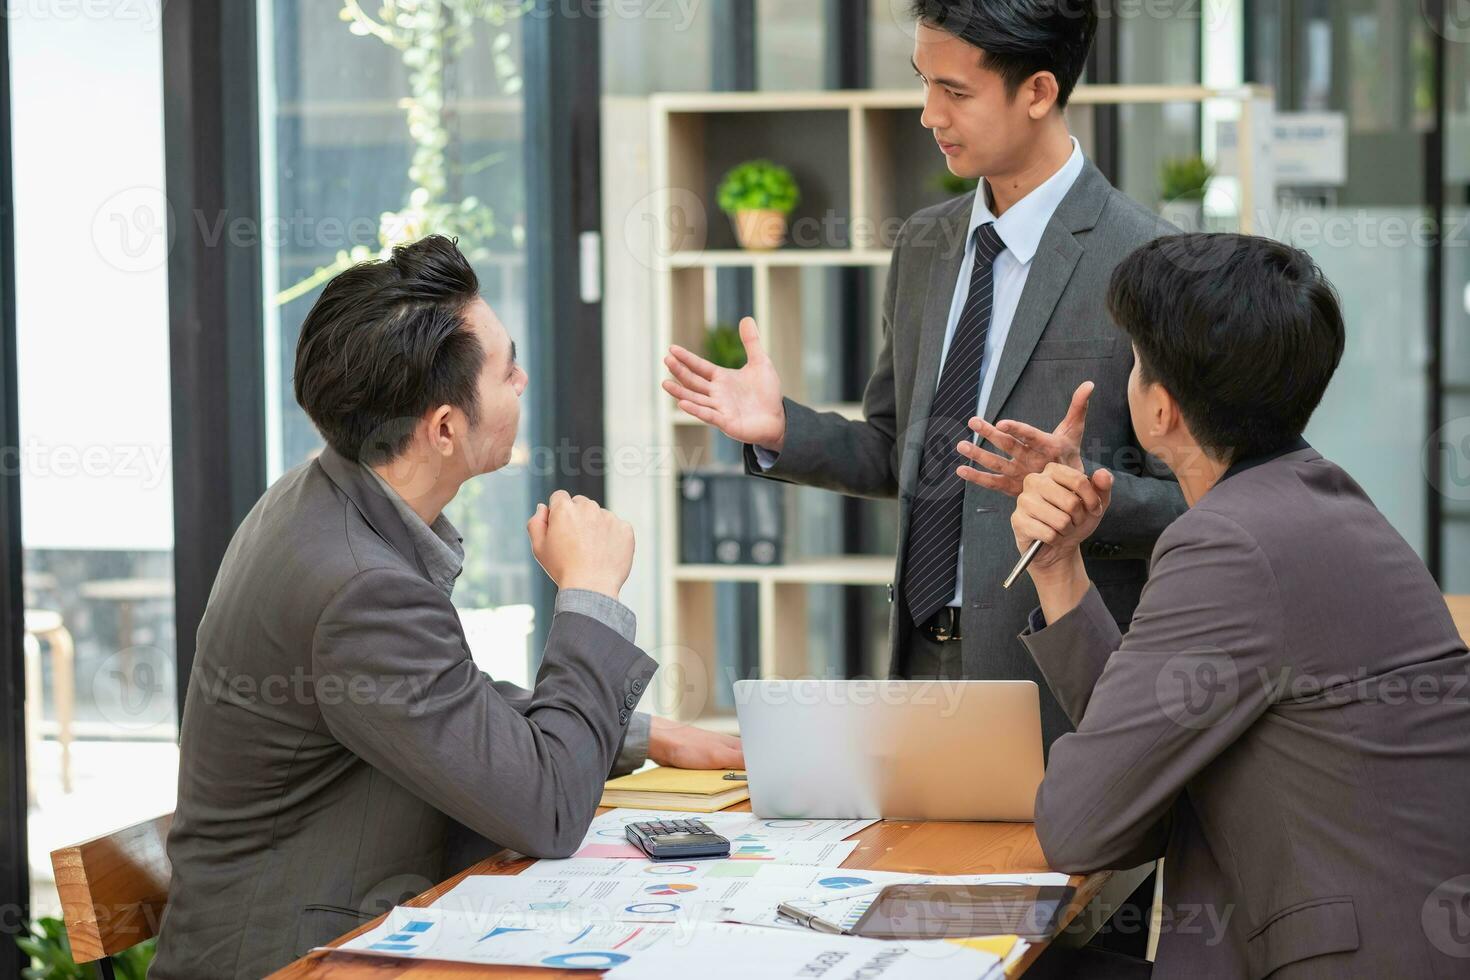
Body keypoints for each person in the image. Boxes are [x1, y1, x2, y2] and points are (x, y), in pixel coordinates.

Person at [151, 235, 741, 979]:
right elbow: (547, 812)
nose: (523, 380)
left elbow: (427, 697)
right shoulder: (359, 583)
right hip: (294, 962)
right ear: (443, 428)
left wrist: (641, 734)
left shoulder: (323, 497)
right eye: (507, 369)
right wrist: (589, 593)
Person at [660, 0, 1186, 750]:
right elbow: (895, 448)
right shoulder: (924, 246)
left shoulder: (1150, 261)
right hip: (918, 666)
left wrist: (1090, 501)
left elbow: (1202, 504)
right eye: (923, 83)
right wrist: (785, 429)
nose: (928, 114)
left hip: (1062, 684)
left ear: (1038, 91)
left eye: (957, 92)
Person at [1013, 234, 1470, 979]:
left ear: (1159, 409)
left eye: (1134, 361)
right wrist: (1060, 568)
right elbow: (1139, 758)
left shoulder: (1229, 544)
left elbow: (1080, 824)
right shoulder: (1320, 496)